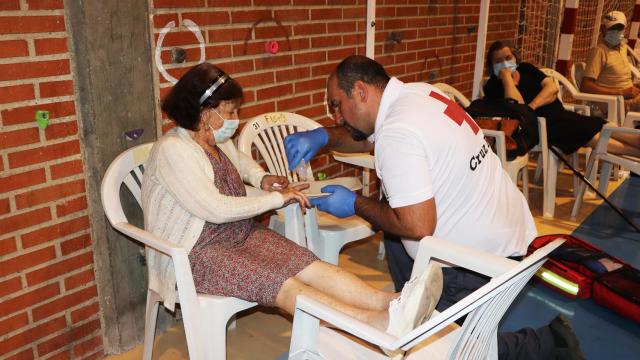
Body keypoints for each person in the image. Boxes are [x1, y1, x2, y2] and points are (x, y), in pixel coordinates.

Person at [284, 55, 585, 359]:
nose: (335, 116)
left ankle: (549, 343)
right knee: (396, 242)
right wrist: (323, 137)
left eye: (335, 105)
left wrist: (355, 203)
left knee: (446, 350)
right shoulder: (418, 94)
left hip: (473, 266)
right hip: (507, 233)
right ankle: (412, 310)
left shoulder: (397, 132)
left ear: (360, 91)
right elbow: (365, 140)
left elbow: (417, 226)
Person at [140, 62, 444, 353]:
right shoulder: (173, 151)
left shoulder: (212, 139)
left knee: (307, 263)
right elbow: (215, 209)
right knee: (281, 284)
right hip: (196, 254)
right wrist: (277, 198)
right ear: (206, 114)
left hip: (237, 234)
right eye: (230, 111)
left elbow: (241, 163)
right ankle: (375, 326)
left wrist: (262, 179)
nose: (235, 118)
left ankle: (389, 304)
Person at [485, 40, 640, 158]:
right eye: (498, 61)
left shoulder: (525, 68)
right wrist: (507, 79)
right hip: (540, 125)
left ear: (515, 58)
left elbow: (552, 87)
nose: (504, 64)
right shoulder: (493, 85)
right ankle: (636, 151)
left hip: (559, 114)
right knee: (593, 133)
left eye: (507, 58)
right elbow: (517, 106)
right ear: (492, 66)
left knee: (598, 126)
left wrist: (532, 106)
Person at [582, 11, 640, 113]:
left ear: (625, 29)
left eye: (619, 28)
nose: (616, 31)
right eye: (612, 28)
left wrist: (635, 86)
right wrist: (621, 92)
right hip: (614, 103)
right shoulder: (598, 51)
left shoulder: (622, 47)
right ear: (603, 29)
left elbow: (618, 79)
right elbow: (586, 86)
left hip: (629, 97)